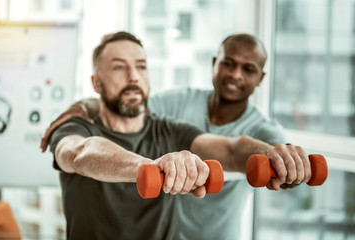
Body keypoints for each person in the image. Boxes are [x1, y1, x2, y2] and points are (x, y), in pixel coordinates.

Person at [42, 32, 311, 239]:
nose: (133, 76)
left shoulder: (170, 129)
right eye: (119, 67)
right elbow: (80, 153)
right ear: (96, 83)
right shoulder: (74, 128)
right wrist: (149, 166)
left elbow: (231, 149)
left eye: (141, 66)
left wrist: (272, 154)